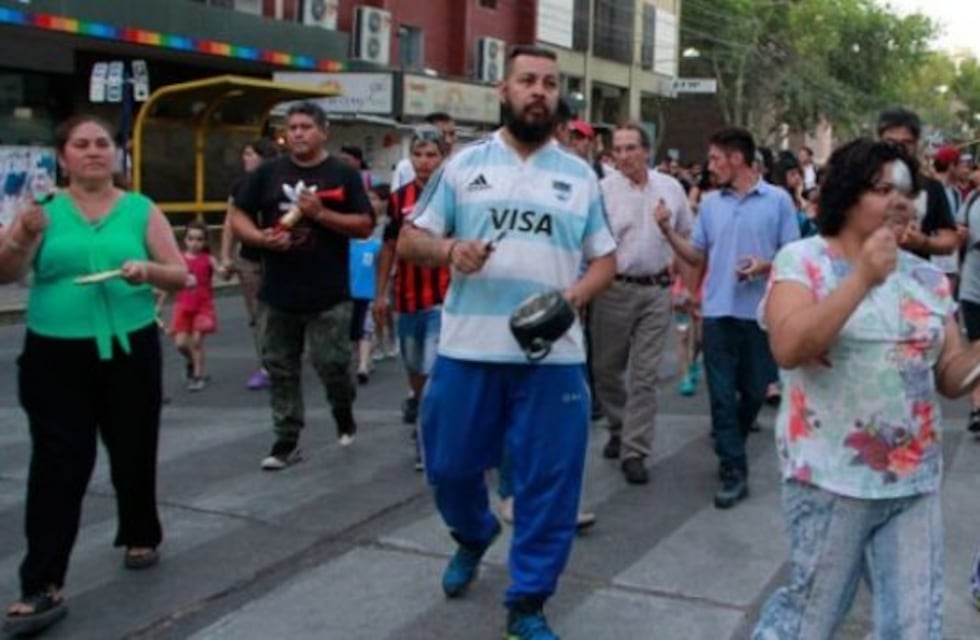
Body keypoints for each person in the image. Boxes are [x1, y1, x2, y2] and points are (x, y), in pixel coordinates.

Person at [396, 45, 616, 640]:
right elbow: (411, 239)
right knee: (448, 466)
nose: (539, 91)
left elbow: (605, 259)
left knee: (550, 485)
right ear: (504, 90)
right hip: (468, 350)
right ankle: (473, 533)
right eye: (527, 80)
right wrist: (451, 250)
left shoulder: (580, 175)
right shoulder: (464, 165)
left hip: (552, 360)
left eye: (549, 82)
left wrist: (572, 298)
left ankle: (528, 605)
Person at [753, 137, 980, 640]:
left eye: (906, 191)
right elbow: (789, 346)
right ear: (848, 194)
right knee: (807, 622)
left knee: (915, 628)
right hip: (832, 480)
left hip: (914, 483)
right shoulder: (803, 261)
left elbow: (950, 375)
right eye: (882, 189)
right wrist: (861, 279)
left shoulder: (926, 278)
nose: (899, 201)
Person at [0, 115, 187, 637]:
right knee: (58, 463)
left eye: (102, 143)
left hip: (130, 350)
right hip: (54, 354)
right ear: (63, 157)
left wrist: (146, 271)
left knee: (133, 447)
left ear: (116, 154)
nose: (93, 152)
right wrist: (21, 236)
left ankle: (140, 530)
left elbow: (180, 274)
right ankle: (41, 583)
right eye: (80, 144)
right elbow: (6, 272)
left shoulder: (140, 208)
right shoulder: (41, 211)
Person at [656, 127, 799, 509]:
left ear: (737, 159)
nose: (711, 166)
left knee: (754, 390)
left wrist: (764, 266)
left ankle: (729, 438)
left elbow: (794, 256)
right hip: (717, 311)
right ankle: (734, 470)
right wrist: (667, 231)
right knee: (720, 395)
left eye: (716, 159)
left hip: (760, 314)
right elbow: (695, 254)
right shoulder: (711, 204)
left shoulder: (778, 201)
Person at [229, 101, 374, 470]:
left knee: (332, 364)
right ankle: (286, 439)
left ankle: (343, 410)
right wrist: (260, 239)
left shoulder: (342, 174)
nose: (298, 133)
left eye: (306, 127)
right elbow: (238, 213)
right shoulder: (268, 173)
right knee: (280, 367)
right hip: (277, 290)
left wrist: (320, 214)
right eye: (292, 127)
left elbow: (364, 224)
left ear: (323, 132)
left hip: (329, 292)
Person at [591, 122, 694, 485]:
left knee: (645, 376)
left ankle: (635, 450)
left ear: (646, 151)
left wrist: (688, 288)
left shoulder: (671, 189)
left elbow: (687, 236)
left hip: (656, 290)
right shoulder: (602, 192)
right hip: (613, 290)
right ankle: (619, 426)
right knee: (606, 369)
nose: (624, 156)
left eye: (630, 148)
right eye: (617, 149)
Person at [374, 125, 450, 470]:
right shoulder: (399, 198)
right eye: (418, 154)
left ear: (442, 157)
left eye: (431, 154)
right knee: (415, 369)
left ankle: (428, 439)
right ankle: (425, 419)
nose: (424, 161)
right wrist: (380, 294)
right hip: (406, 297)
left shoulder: (453, 196)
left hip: (442, 297)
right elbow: (389, 246)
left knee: (433, 370)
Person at [219, 138, 280, 390]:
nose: (245, 158)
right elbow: (230, 222)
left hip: (279, 257)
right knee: (257, 314)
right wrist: (225, 257)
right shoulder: (240, 186)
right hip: (250, 257)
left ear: (264, 158)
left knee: (280, 311)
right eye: (244, 153)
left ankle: (284, 356)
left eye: (250, 153)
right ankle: (266, 365)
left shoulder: (280, 183)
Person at [166, 220, 218, 391]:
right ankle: (192, 362)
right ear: (185, 239)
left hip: (203, 306)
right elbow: (169, 283)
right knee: (180, 344)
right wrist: (159, 304)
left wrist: (228, 267)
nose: (194, 243)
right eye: (191, 239)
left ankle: (197, 376)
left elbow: (222, 273)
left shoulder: (208, 259)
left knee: (196, 341)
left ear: (205, 241)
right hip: (184, 305)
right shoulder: (179, 260)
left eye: (199, 239)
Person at [391, 112, 457, 190]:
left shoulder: (460, 166)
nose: (448, 140)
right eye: (443, 134)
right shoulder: (405, 168)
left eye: (452, 134)